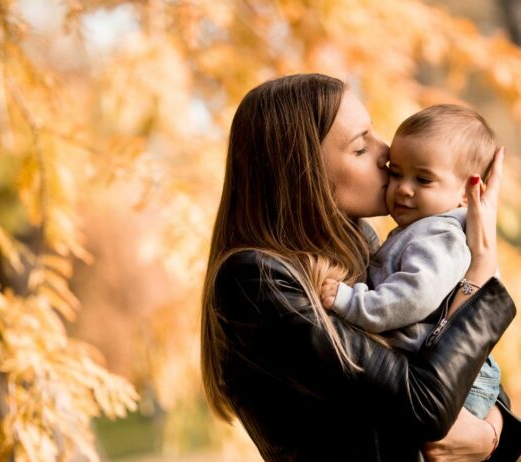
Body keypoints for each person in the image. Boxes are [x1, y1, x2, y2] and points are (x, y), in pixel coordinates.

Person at [200, 73, 521, 461]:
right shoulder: (258, 281)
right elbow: (428, 405)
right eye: (359, 147)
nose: (385, 153)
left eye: (374, 133)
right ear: (305, 175)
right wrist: (481, 272)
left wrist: (492, 434)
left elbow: (471, 383)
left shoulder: (361, 247)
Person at [320, 104, 501, 420]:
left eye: (423, 179)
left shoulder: (441, 234)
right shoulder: (420, 229)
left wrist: (349, 301)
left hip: (457, 379)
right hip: (436, 369)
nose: (403, 188)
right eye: (396, 173)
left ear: (466, 193)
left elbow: (414, 295)